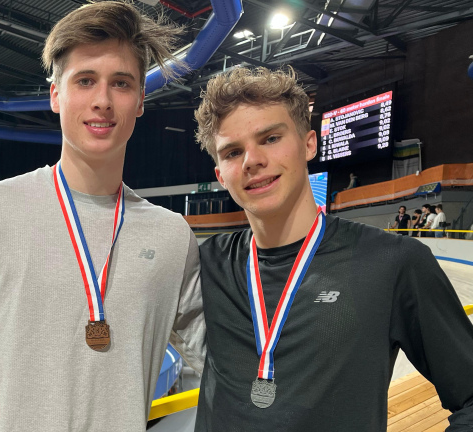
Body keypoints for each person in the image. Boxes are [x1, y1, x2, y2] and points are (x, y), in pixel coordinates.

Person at [0, 3, 205, 431]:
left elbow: (224, 360)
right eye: (85, 81)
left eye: (121, 84)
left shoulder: (172, 236)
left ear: (141, 100)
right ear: (56, 94)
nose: (102, 101)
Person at [193, 66, 473, 430]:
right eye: (231, 152)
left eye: (271, 138)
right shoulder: (207, 263)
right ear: (220, 175)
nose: (251, 160)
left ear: (309, 143)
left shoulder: (392, 262)